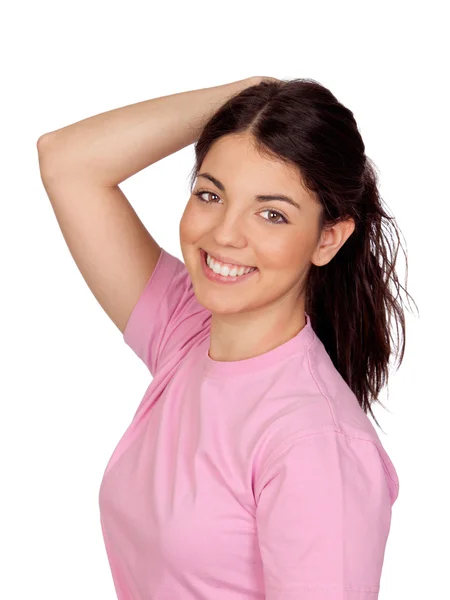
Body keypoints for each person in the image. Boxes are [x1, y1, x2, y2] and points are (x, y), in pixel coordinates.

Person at [37, 76, 416, 599]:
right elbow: (66, 160)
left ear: (327, 238)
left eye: (271, 213)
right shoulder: (185, 331)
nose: (225, 235)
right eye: (211, 194)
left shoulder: (311, 443)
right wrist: (251, 96)